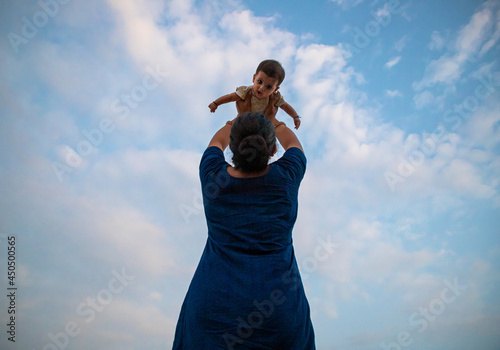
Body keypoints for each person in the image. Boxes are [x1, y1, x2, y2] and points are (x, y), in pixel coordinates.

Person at [172, 93, 315, 349]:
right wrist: (274, 120)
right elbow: (294, 146)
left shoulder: (213, 177)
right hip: (279, 316)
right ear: (271, 150)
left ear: (235, 148)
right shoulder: (286, 178)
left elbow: (217, 141)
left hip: (212, 312)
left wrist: (237, 119)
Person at [208, 59, 302, 129]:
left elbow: (285, 106)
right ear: (254, 78)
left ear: (275, 89)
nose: (261, 88)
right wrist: (216, 103)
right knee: (232, 126)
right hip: (244, 120)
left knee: (273, 130)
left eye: (268, 87)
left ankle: (272, 146)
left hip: (263, 124)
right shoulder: (246, 91)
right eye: (260, 81)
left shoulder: (275, 97)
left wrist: (295, 117)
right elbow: (230, 97)